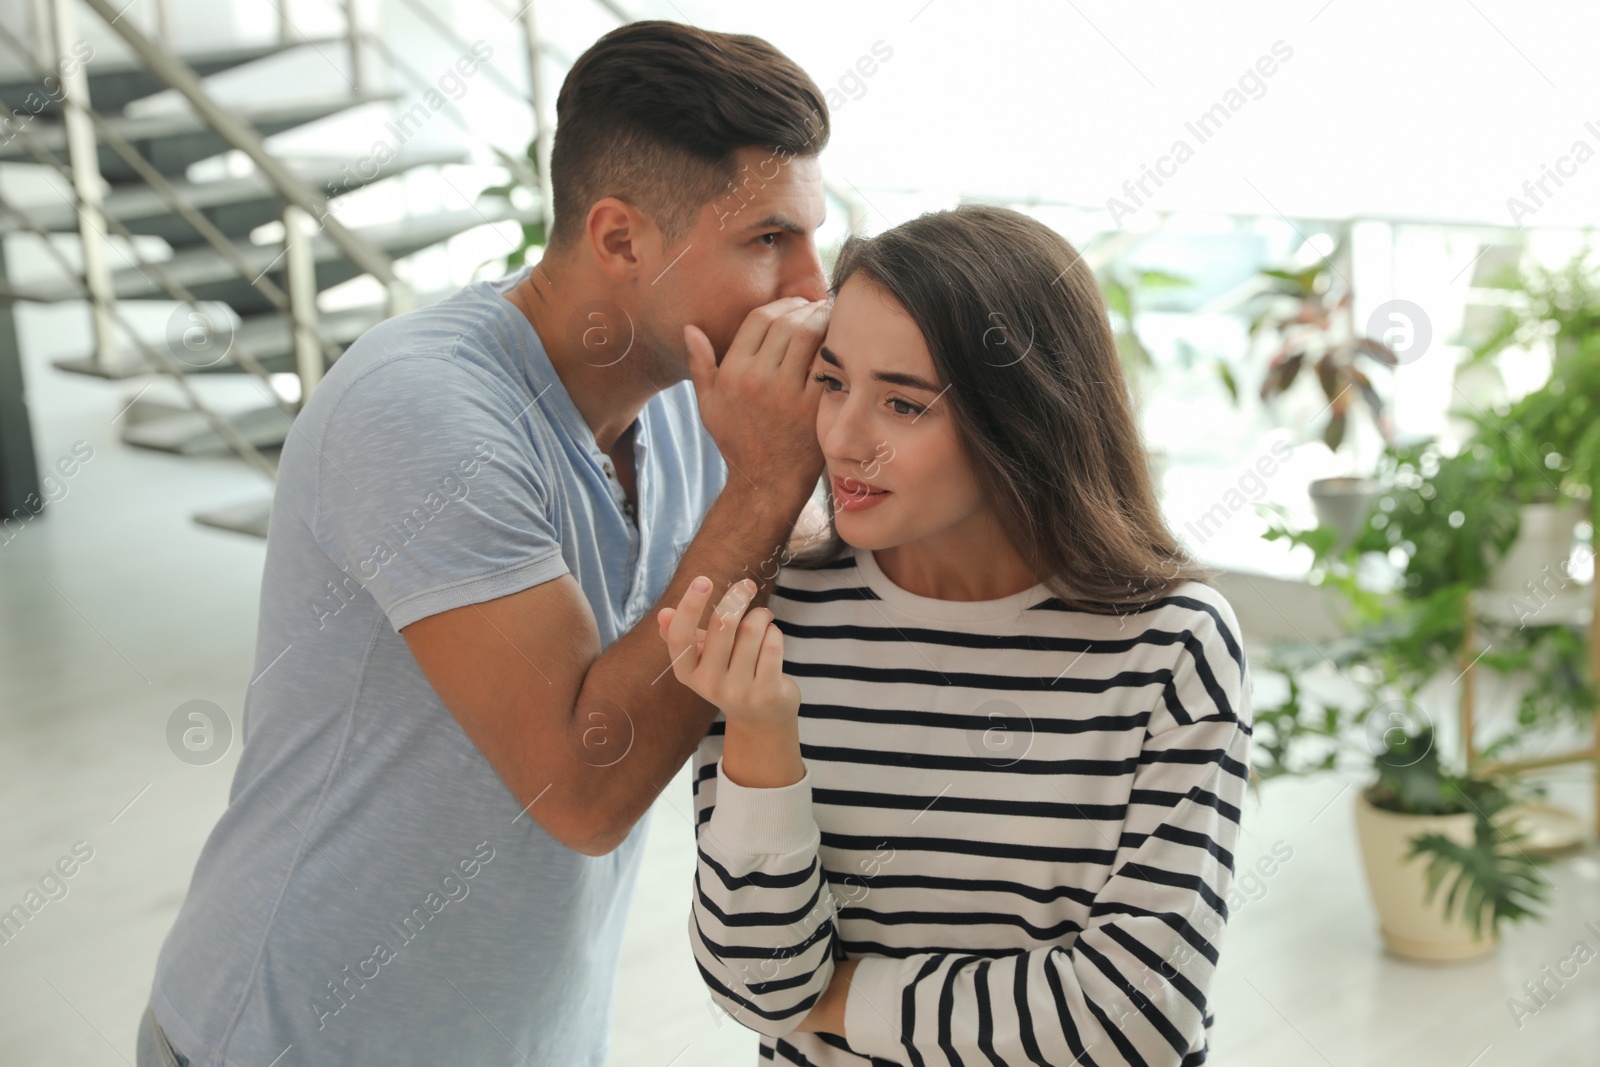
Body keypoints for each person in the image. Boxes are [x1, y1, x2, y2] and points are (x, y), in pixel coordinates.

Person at [137, 20, 840, 1067]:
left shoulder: (700, 404)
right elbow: (585, 786)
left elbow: (832, 593)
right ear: (618, 240)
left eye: (812, 235)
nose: (808, 284)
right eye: (767, 240)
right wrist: (774, 483)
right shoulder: (421, 411)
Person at [659, 205, 1253, 1067]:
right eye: (832, 382)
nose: (842, 436)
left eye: (902, 403)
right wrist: (763, 735)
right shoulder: (773, 620)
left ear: (1022, 418)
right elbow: (757, 987)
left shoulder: (1170, 645)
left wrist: (835, 997)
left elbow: (1135, 1018)